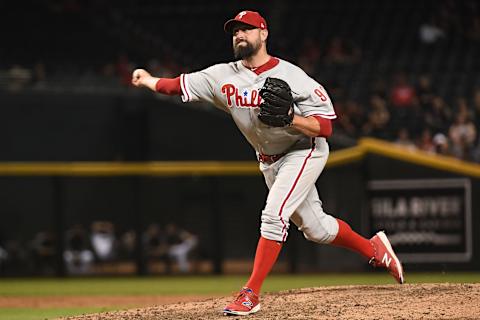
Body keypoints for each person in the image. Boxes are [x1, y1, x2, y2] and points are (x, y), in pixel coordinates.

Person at [132, 10, 404, 316]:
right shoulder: (221, 76)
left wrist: (292, 118)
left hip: (303, 150)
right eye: (235, 30)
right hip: (269, 161)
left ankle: (251, 293)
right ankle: (374, 249)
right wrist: (147, 80)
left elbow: (326, 126)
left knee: (273, 216)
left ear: (264, 34)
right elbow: (176, 85)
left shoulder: (293, 76)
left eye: (247, 29)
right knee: (317, 229)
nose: (239, 34)